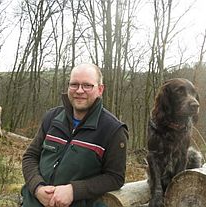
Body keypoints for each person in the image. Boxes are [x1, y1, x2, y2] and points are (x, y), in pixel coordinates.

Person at [21, 63, 128, 207]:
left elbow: (115, 178)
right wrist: (37, 187)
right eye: (74, 84)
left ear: (100, 90)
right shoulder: (52, 118)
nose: (79, 90)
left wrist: (73, 191)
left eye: (87, 85)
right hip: (33, 202)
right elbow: (30, 156)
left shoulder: (113, 130)